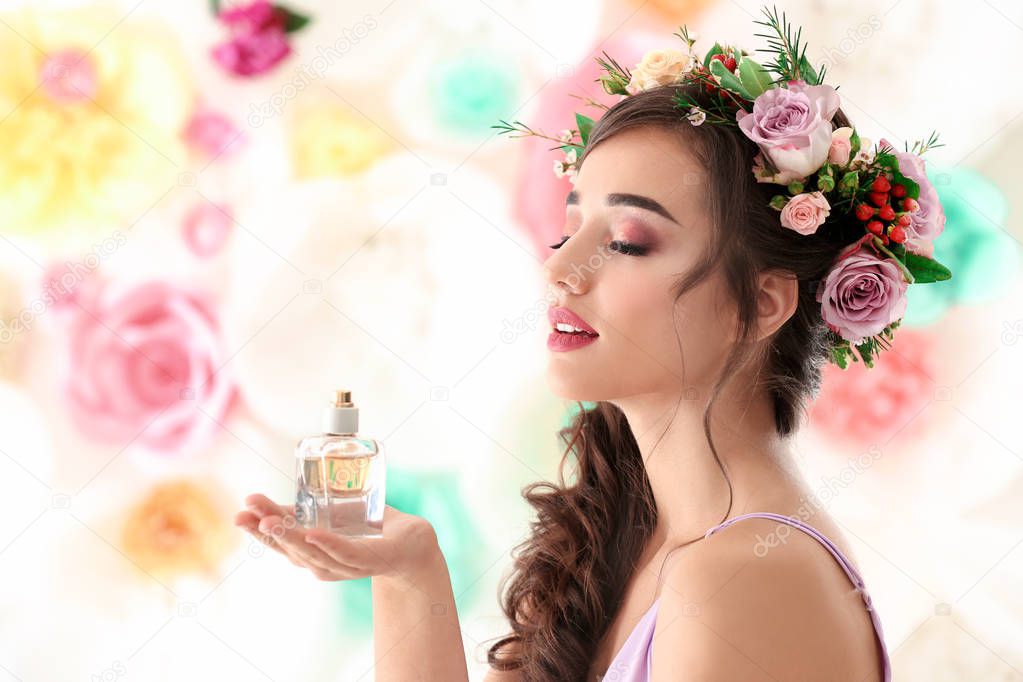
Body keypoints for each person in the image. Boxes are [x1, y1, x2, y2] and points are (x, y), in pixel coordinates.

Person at [237, 12, 953, 680]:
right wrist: (407, 574)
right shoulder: (632, 533)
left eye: (626, 241)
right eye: (569, 226)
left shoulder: (744, 577)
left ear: (759, 304)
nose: (558, 267)